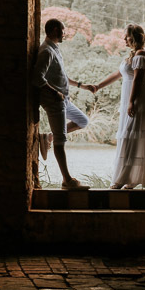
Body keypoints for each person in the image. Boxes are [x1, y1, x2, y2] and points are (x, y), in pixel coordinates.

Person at [89, 24, 145, 189]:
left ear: (134, 37)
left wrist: (132, 101)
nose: (124, 39)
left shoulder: (141, 54)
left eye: (126, 36)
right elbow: (118, 74)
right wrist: (98, 86)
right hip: (131, 100)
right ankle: (129, 179)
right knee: (129, 137)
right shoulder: (132, 55)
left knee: (132, 138)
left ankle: (125, 179)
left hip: (140, 100)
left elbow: (137, 81)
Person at [33, 18, 92, 190]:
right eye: (61, 30)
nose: (64, 33)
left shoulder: (55, 49)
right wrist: (56, 92)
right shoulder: (46, 52)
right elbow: (37, 79)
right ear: (51, 31)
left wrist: (81, 86)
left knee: (83, 121)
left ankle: (48, 137)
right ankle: (67, 180)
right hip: (54, 101)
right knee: (61, 141)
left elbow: (62, 76)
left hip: (64, 100)